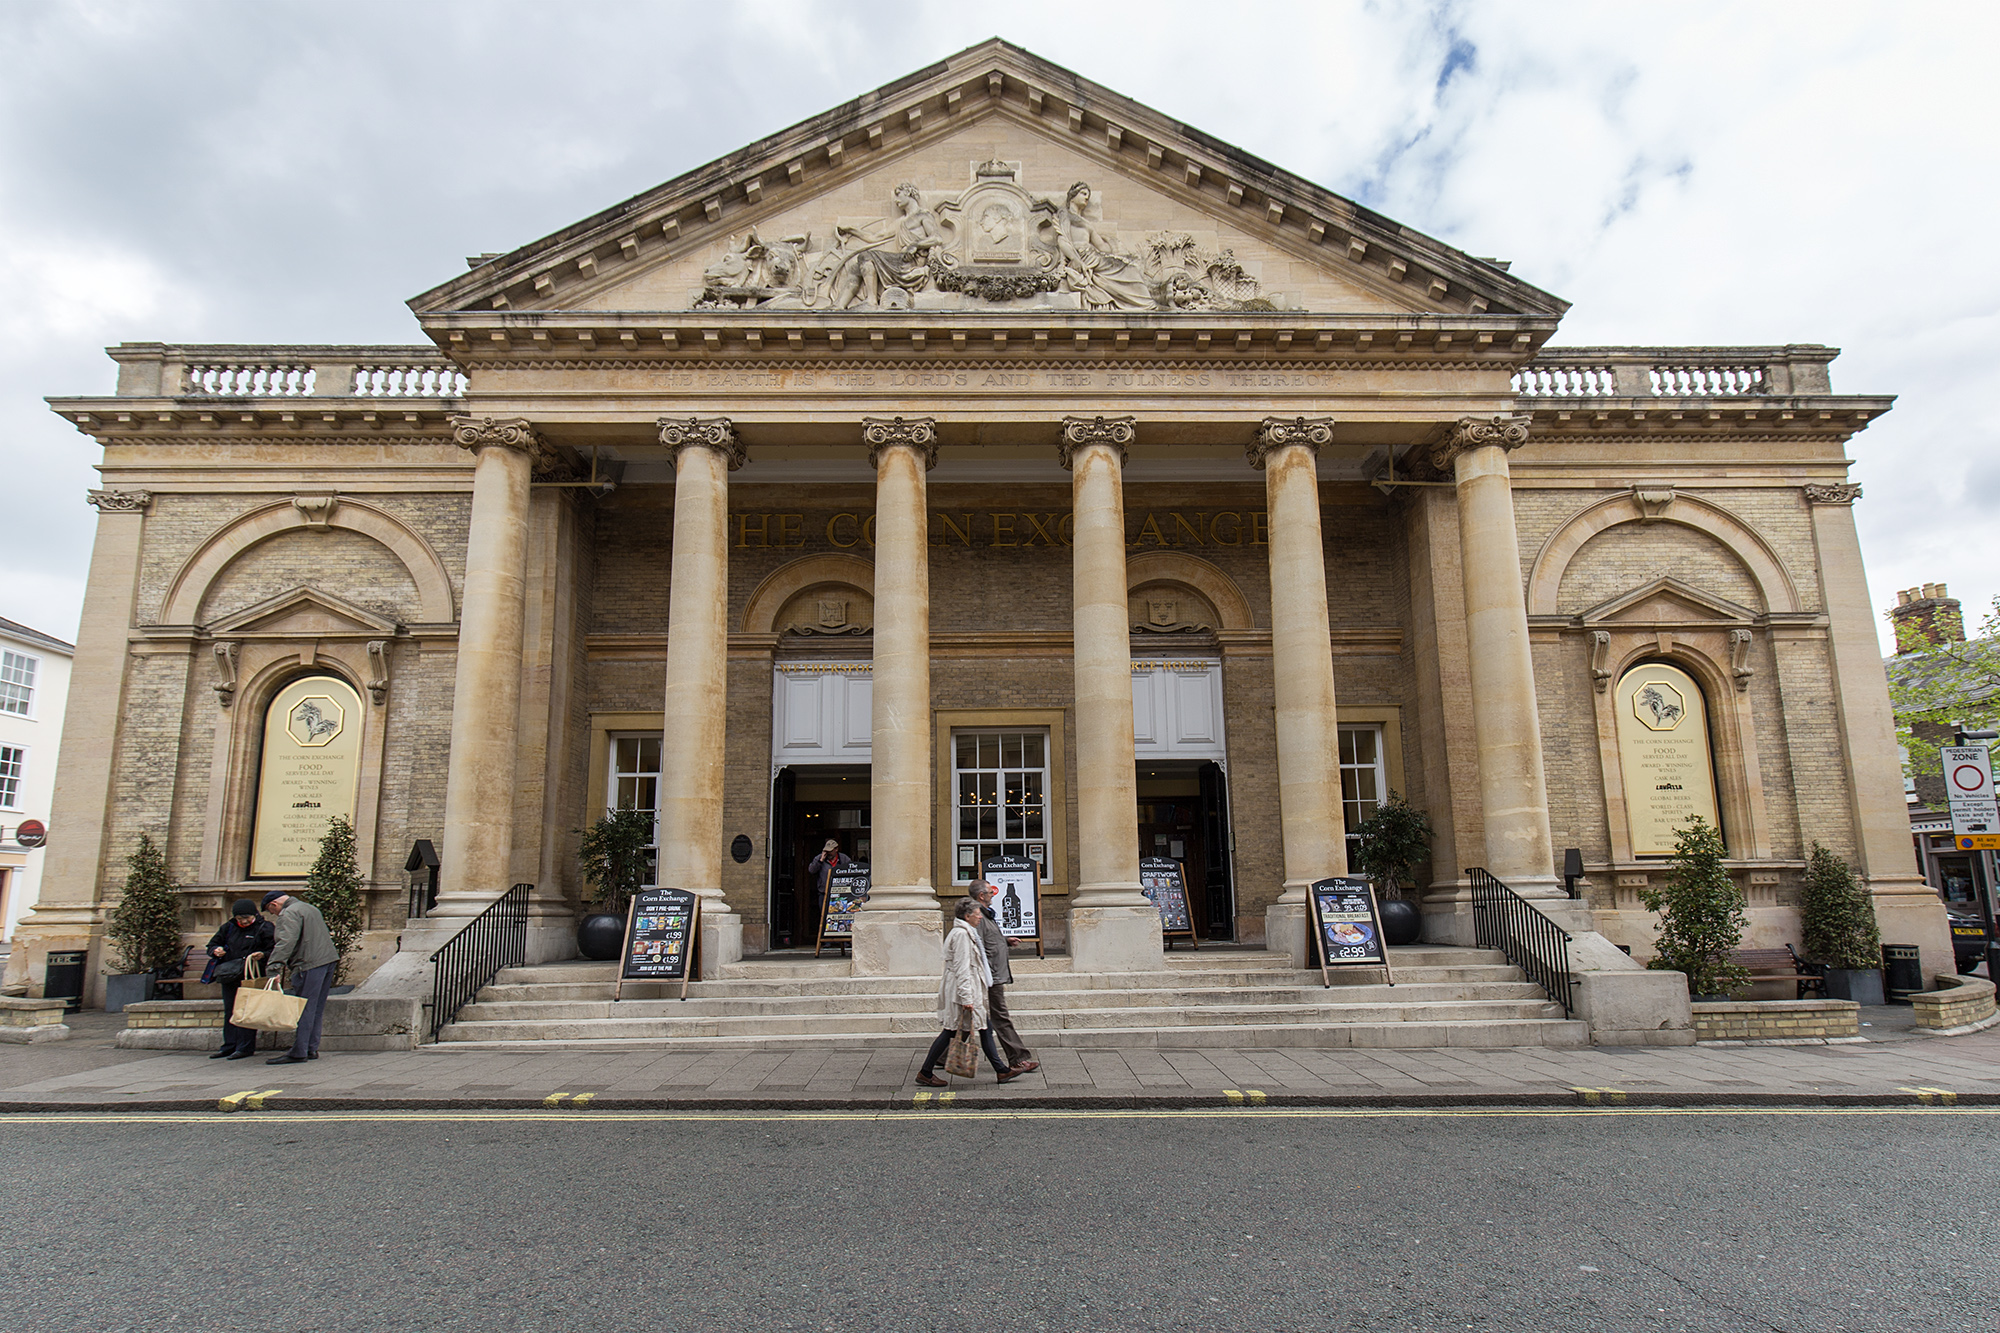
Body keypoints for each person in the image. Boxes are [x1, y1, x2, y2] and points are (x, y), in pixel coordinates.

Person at [915, 897, 1018, 1086]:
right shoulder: (962, 935)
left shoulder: (968, 932)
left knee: (984, 1029)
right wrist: (966, 998)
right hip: (965, 992)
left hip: (971, 990)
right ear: (967, 915)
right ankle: (925, 1072)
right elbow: (962, 968)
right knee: (951, 1031)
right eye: (977, 913)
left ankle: (1002, 1070)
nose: (980, 917)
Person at [261, 888, 340, 1065]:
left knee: (304, 1007)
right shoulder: (308, 908)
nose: (273, 914)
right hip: (327, 960)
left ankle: (299, 1051)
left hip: (308, 964)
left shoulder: (288, 913)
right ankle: (311, 1047)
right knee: (316, 1008)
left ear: (273, 904)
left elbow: (286, 942)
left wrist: (274, 967)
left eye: (271, 910)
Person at [969, 879, 1037, 1075]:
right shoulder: (977, 915)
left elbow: (988, 939)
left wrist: (1005, 941)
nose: (993, 895)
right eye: (990, 892)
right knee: (1000, 1017)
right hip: (990, 975)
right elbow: (977, 945)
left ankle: (940, 1056)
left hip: (993, 973)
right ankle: (1018, 1059)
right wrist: (985, 973)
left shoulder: (985, 915)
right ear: (982, 896)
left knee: (966, 1020)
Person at [203, 898, 272, 1060]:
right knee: (231, 1010)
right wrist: (215, 950)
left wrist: (262, 955)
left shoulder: (264, 927)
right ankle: (229, 1045)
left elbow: (272, 949)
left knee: (247, 1011)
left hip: (251, 975)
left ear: (254, 915)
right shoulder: (228, 928)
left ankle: (245, 1047)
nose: (244, 921)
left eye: (247, 918)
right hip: (230, 975)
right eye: (240, 918)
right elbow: (211, 945)